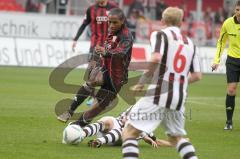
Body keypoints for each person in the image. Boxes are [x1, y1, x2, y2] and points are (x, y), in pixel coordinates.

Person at [121, 7, 201, 159]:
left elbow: (156, 57)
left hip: (159, 92)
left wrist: (142, 83)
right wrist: (179, 82)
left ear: (163, 21)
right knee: (176, 138)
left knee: (129, 132)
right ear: (181, 22)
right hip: (178, 97)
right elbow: (197, 75)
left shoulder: (160, 35)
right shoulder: (190, 43)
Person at [58, 8, 133, 127]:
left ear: (122, 21)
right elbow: (107, 50)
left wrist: (106, 51)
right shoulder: (111, 32)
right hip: (106, 70)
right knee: (91, 80)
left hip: (117, 78)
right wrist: (99, 53)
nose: (111, 25)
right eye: (109, 22)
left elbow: (121, 53)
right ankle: (70, 111)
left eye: (114, 22)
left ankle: (79, 126)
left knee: (97, 107)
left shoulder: (126, 36)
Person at [72, 0, 117, 106]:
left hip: (109, 47)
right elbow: (84, 24)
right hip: (95, 46)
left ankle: (104, 95)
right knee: (91, 70)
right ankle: (91, 96)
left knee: (107, 73)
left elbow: (122, 24)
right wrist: (75, 39)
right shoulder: (91, 9)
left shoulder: (114, 8)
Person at [64, 106, 174, 148]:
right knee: (107, 121)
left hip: (118, 137)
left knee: (125, 130)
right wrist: (143, 135)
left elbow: (156, 141)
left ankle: (99, 142)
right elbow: (126, 120)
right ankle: (81, 134)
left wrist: (175, 143)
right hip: (115, 125)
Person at [212, 0, 240, 130]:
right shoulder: (228, 23)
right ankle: (229, 121)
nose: (239, 13)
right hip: (233, 60)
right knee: (231, 90)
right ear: (235, 10)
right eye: (237, 10)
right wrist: (216, 60)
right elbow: (221, 42)